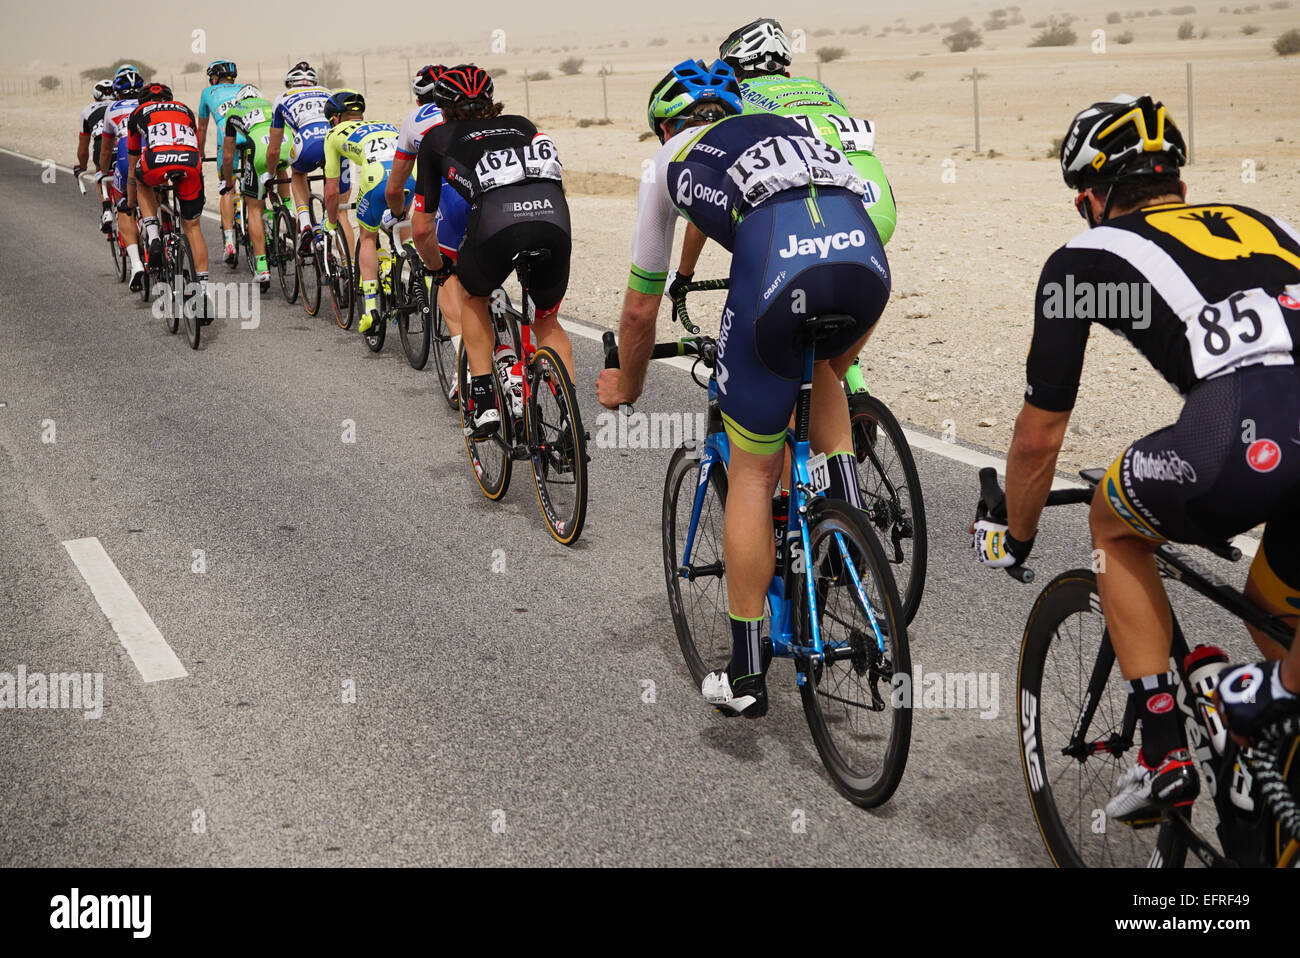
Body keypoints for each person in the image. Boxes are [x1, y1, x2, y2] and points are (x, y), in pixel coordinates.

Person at [971, 94, 1300, 821]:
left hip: (1242, 441)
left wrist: (1016, 532)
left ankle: (1164, 751)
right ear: (1179, 187)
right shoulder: (1269, 223)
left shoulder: (1083, 257)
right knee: (1275, 607)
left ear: (1091, 198)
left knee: (1113, 519)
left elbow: (1039, 436)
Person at [596, 59, 890, 717]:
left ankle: (748, 672)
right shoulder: (780, 127)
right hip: (867, 263)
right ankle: (847, 522)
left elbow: (640, 312)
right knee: (823, 370)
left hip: (783, 272)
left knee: (754, 472)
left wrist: (629, 384)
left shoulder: (669, 159)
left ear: (667, 125)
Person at [410, 64, 571, 437]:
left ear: (441, 106)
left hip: (497, 221)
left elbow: (420, 228)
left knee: (473, 296)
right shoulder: (524, 124)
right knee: (546, 319)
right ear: (490, 99)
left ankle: (482, 402)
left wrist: (438, 270)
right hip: (553, 217)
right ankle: (568, 423)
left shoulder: (436, 139)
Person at [389, 64, 472, 401]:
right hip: (492, 199)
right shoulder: (475, 110)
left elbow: (396, 186)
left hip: (448, 205)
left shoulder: (415, 120)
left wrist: (396, 214)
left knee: (446, 278)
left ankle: (465, 371)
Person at [320, 89, 411, 335]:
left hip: (377, 178)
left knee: (367, 236)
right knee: (404, 229)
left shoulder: (333, 134)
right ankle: (420, 283)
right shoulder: (385, 123)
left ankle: (370, 309)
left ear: (335, 118)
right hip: (409, 177)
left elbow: (331, 190)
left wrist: (330, 222)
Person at [127, 83, 211, 320]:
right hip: (189, 162)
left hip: (156, 161)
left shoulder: (138, 113)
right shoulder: (184, 109)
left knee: (142, 181)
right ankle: (202, 294)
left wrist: (131, 204)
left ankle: (153, 236)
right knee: (193, 226)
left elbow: (132, 164)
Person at [220, 83, 294, 290]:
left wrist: (228, 182)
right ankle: (287, 209)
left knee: (254, 207)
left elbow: (228, 156)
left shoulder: (233, 111)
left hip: (259, 148)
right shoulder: (268, 104)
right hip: (287, 144)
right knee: (279, 165)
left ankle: (262, 268)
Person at [266, 62, 342, 255]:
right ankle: (345, 265)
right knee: (338, 205)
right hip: (334, 141)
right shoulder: (328, 91)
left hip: (306, 141)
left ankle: (306, 224)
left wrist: (271, 174)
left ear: (290, 84)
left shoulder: (282, 98)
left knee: (298, 173)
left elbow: (274, 150)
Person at [99, 67, 146, 289]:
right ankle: (158, 233)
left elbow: (106, 150)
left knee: (124, 206)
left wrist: (102, 171)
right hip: (155, 156)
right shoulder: (148, 105)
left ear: (117, 93)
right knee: (153, 193)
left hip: (127, 159)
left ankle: (136, 262)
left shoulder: (112, 109)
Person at [196, 59, 246, 265]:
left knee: (227, 187)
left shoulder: (208, 93)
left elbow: (202, 128)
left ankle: (229, 243)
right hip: (251, 132)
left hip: (227, 137)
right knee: (254, 183)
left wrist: (199, 152)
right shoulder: (244, 88)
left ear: (214, 78)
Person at [74, 79, 114, 233]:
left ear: (95, 97)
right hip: (125, 145)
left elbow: (82, 150)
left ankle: (106, 209)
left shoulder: (87, 110)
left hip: (101, 145)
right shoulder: (122, 105)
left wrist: (82, 167)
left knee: (101, 172)